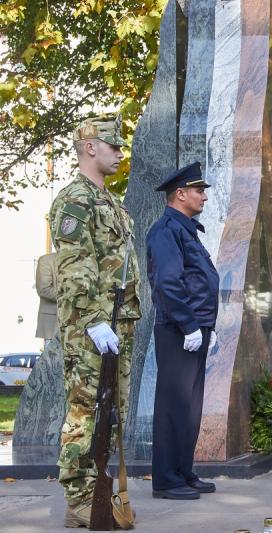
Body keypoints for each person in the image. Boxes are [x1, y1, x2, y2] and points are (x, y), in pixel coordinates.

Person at [49, 114, 141, 527]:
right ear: (90, 147)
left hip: (117, 324)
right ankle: (80, 498)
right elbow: (73, 267)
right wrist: (92, 319)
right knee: (87, 411)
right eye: (113, 145)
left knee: (110, 411)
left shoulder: (110, 202)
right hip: (92, 327)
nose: (120, 153)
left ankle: (96, 493)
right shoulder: (75, 200)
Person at [147, 161, 220, 500]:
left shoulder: (186, 228)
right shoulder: (167, 231)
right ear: (180, 194)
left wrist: (207, 326)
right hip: (178, 331)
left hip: (194, 329)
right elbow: (168, 283)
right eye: (198, 190)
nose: (203, 196)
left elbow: (197, 282)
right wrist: (189, 323)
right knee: (173, 405)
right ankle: (166, 479)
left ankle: (182, 471)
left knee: (190, 407)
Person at [35, 252, 58, 342]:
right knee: (52, 356)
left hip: (80, 327)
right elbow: (44, 290)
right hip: (53, 326)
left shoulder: (83, 259)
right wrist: (73, 297)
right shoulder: (46, 260)